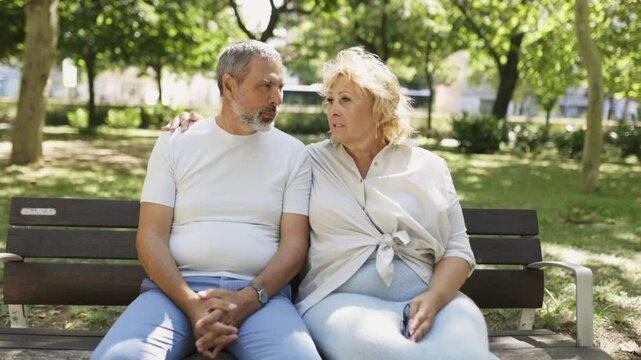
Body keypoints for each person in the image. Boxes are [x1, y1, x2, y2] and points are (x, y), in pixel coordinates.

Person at [170, 47, 496, 359]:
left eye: (345, 100)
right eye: (329, 100)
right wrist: (203, 128)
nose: (332, 109)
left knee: (467, 349)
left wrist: (435, 297)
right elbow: (245, 143)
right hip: (339, 303)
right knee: (378, 351)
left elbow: (458, 249)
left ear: (380, 107)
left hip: (429, 299)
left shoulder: (429, 166)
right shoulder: (307, 160)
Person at [91, 40, 321, 360]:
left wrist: (247, 299)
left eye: (280, 86)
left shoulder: (294, 153)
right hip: (172, 296)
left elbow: (295, 245)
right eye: (266, 86)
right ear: (229, 85)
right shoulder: (177, 142)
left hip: (261, 299)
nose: (277, 99)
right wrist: (192, 304)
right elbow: (150, 235)